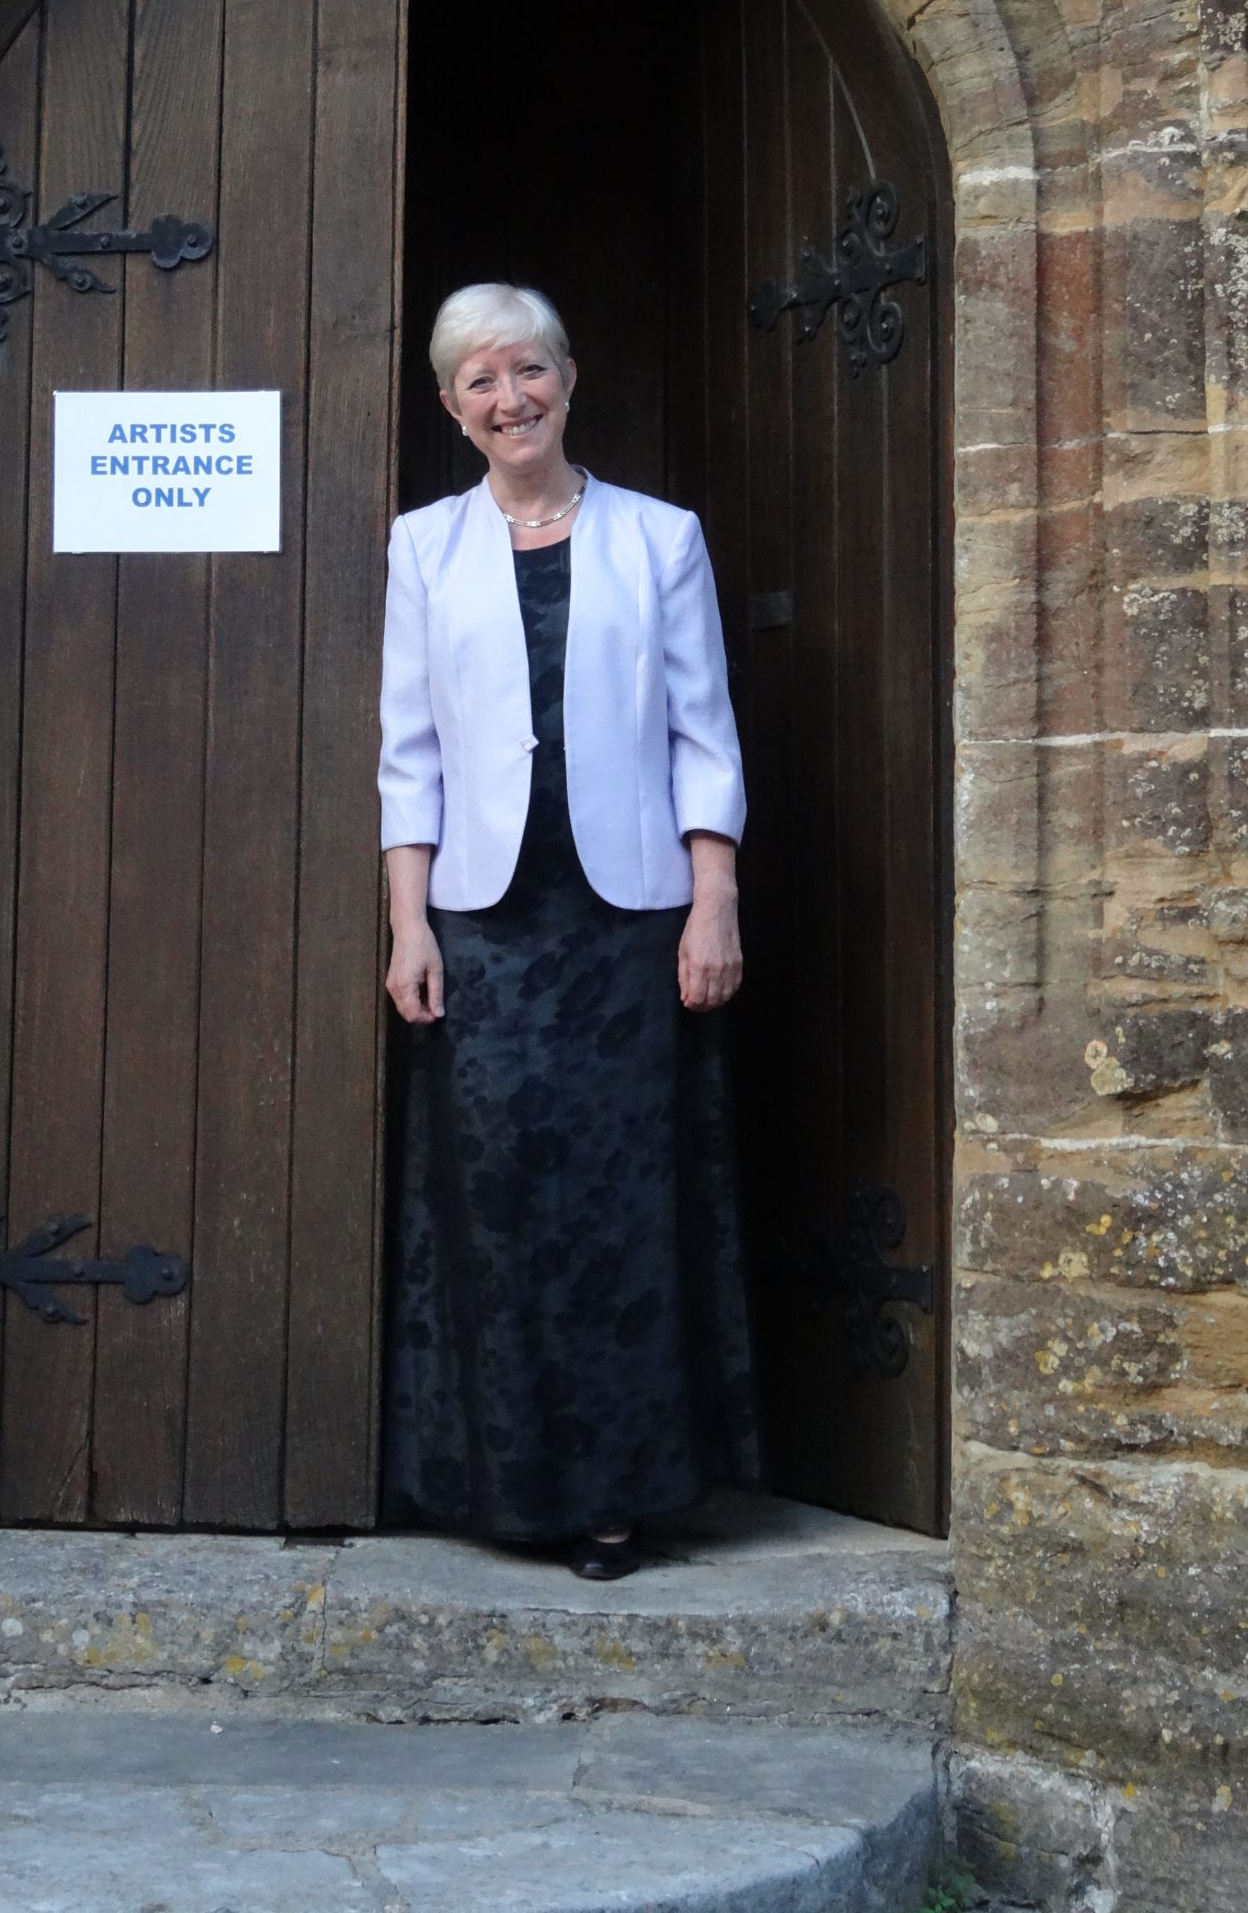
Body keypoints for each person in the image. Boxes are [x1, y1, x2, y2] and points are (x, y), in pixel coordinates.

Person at [378, 280, 761, 1580]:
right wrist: (407, 926)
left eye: (527, 369)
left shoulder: (660, 539)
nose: (509, 397)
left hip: (625, 928)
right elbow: (408, 754)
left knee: (618, 1205)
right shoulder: (422, 548)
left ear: (568, 378)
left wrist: (715, 902)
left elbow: (705, 734)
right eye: (480, 380)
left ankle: (612, 1495)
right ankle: (497, 1484)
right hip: (482, 925)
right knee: (495, 1201)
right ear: (452, 408)